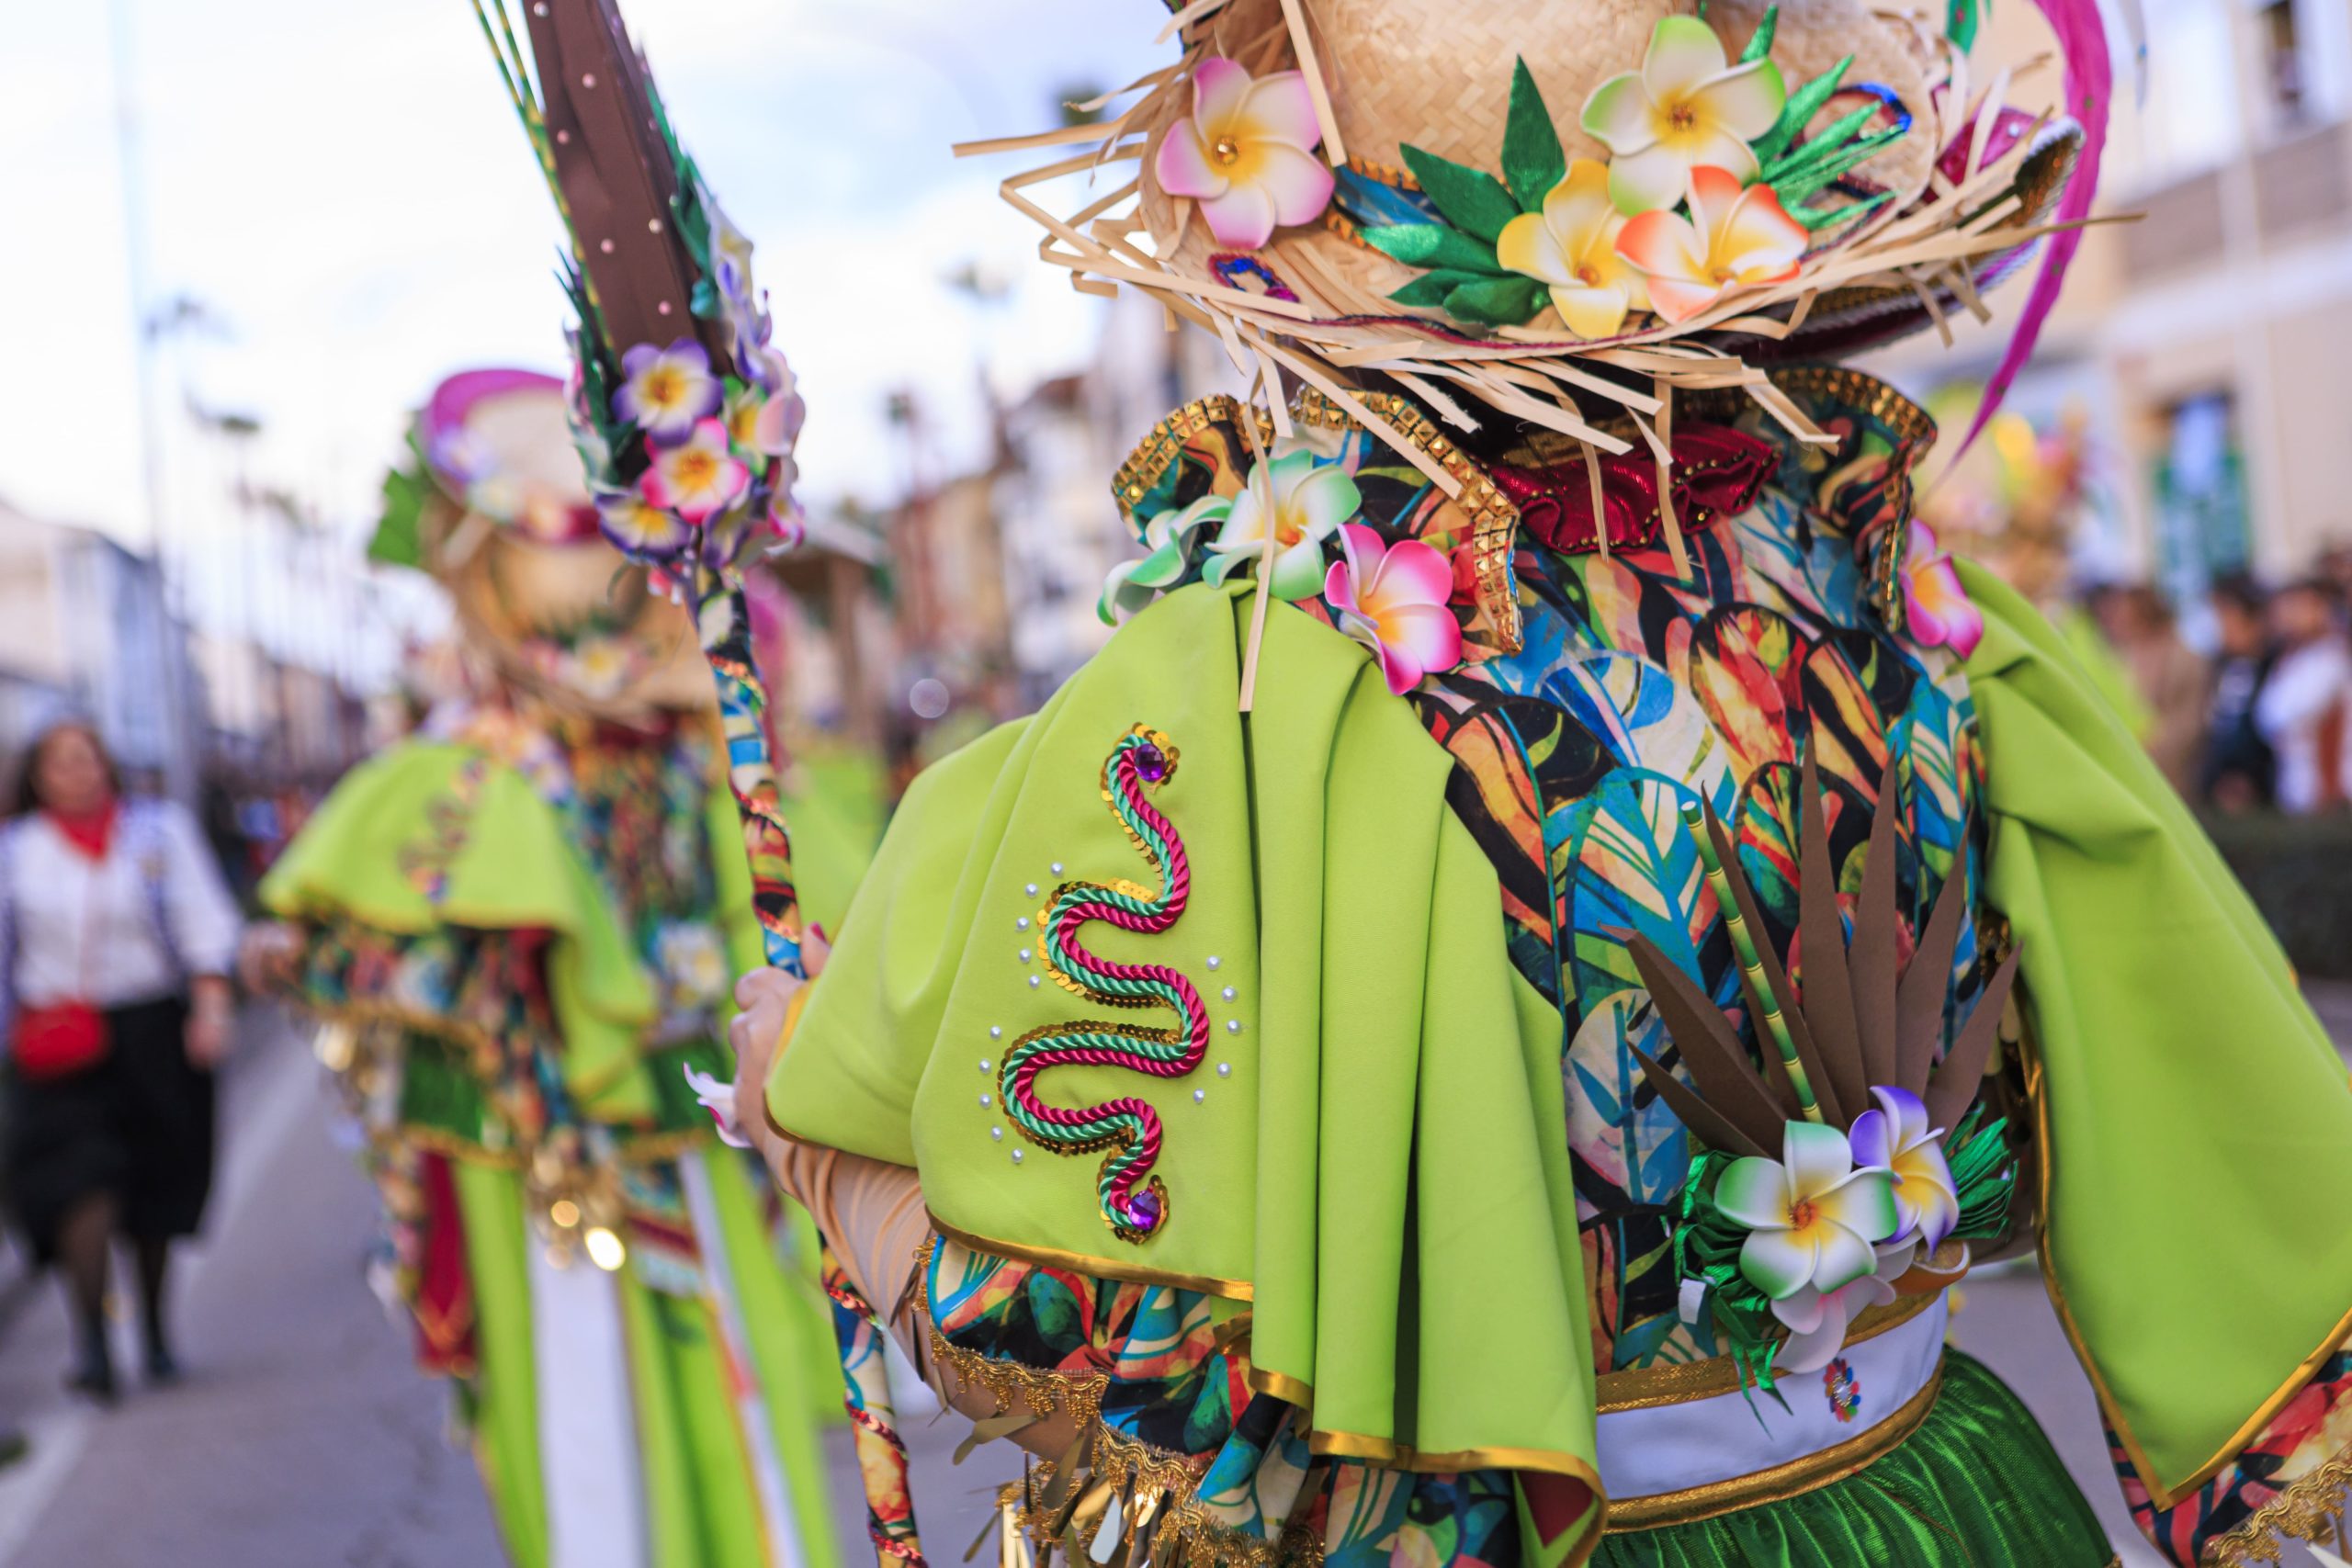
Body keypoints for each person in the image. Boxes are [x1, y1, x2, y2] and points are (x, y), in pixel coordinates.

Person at [715, 2, 2352, 1566]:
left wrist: (830, 1156)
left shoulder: (1261, 685)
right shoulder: (1909, 597)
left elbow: (1135, 1366)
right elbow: (2200, 1089)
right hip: (1952, 1498)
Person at [249, 368, 845, 1568]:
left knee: (744, 1414)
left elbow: (792, 917)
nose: (601, 649)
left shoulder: (703, 759)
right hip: (546, 1162)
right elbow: (327, 938)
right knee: (591, 1445)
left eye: (617, 609)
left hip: (704, 1143)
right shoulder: (466, 771)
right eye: (570, 611)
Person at [0, 719, 240, 1401]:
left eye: (87, 759)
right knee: (81, 1186)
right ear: (38, 777)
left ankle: (157, 1330)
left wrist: (211, 1004)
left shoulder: (157, 834)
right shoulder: (18, 852)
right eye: (60, 763)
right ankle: (94, 1343)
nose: (77, 773)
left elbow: (205, 921)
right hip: (58, 1039)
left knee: (153, 1185)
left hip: (149, 1028)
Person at [2255, 578, 2352, 813]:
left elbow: (2290, 715)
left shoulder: (2334, 657)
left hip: (2331, 792)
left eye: (2300, 607)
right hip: (2293, 788)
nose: (2290, 616)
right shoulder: (2288, 659)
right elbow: (2265, 717)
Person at [2111, 584, 2211, 792]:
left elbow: (2190, 720)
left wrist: (2151, 744)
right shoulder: (2118, 654)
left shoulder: (2183, 658)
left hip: (2168, 770)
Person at [2200, 575, 2278, 809]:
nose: (2222, 630)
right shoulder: (2219, 667)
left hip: (2262, 793)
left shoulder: (2272, 669)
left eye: (2229, 621)